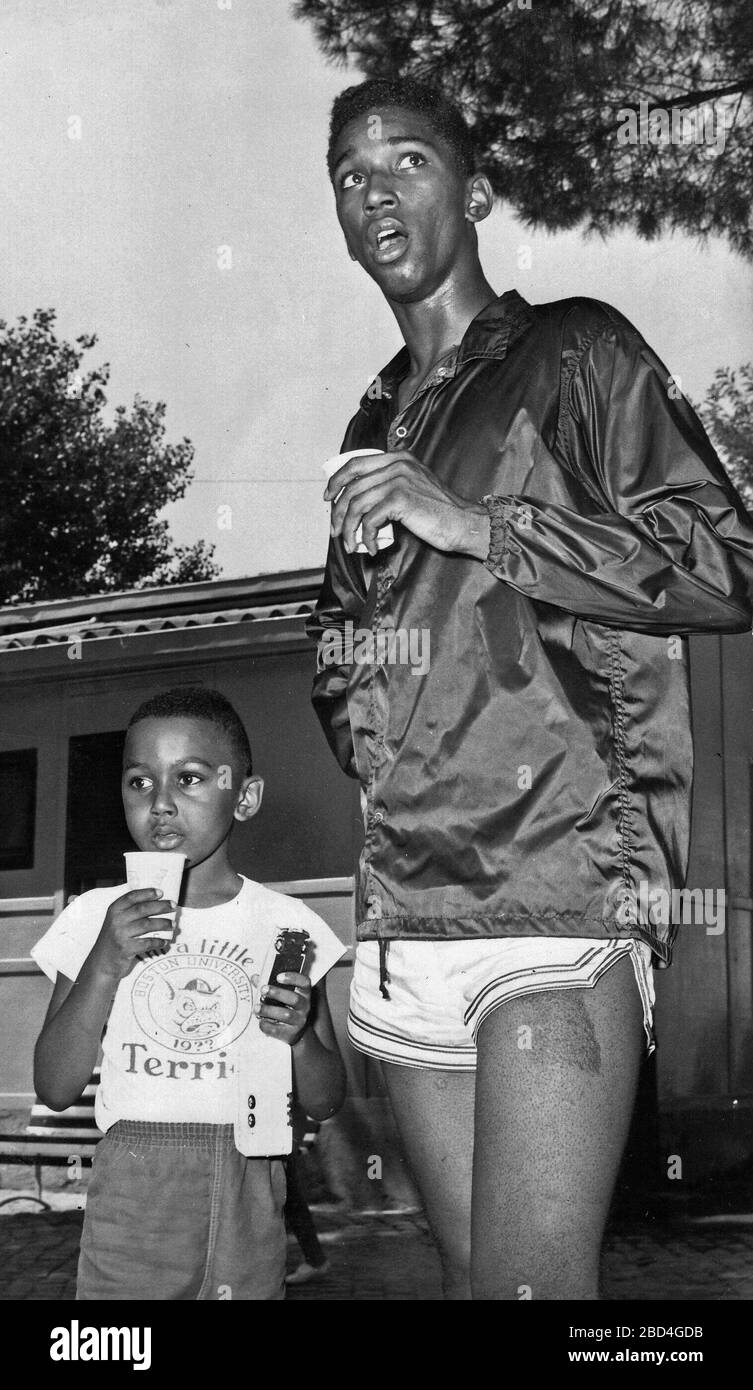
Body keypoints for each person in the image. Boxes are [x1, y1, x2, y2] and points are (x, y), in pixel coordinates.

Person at [307, 76, 753, 1300]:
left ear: (478, 189)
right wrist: (358, 686)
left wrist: (473, 522)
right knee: (470, 1286)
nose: (373, 189)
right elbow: (342, 653)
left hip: (556, 894)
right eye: (349, 173)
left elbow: (724, 562)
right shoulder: (371, 418)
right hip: (406, 921)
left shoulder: (578, 348)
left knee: (535, 1293)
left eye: (406, 161)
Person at [32, 686, 346, 1300]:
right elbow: (54, 1085)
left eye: (191, 778)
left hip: (250, 1184)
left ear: (246, 797)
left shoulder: (288, 925)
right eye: (140, 783)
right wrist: (103, 963)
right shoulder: (94, 916)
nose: (162, 805)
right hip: (134, 1188)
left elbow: (328, 1099)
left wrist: (301, 1035)